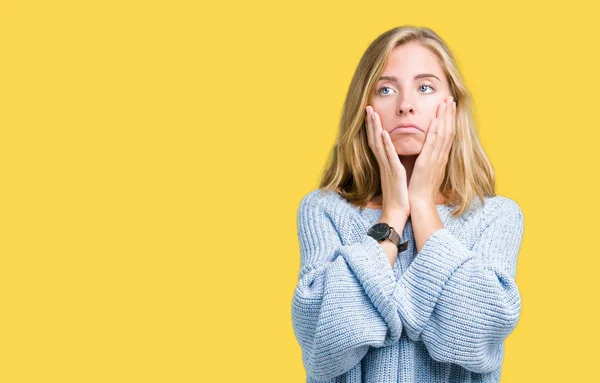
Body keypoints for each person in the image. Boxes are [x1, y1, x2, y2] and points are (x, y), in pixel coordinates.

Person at [290, 26, 525, 383]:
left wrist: (422, 206)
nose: (405, 104)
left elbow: (478, 336)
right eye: (385, 89)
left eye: (425, 87)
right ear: (364, 107)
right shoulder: (324, 211)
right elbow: (325, 346)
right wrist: (393, 215)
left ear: (453, 106)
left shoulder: (496, 216)